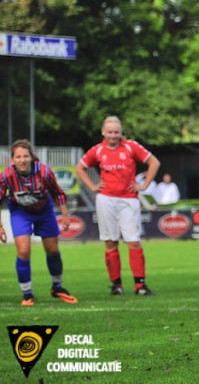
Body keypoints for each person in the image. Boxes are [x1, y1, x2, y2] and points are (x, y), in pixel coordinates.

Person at [75, 116, 161, 296]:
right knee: (110, 242)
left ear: (121, 132)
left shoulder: (131, 146)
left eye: (116, 132)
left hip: (129, 199)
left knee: (134, 242)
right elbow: (80, 168)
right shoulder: (97, 150)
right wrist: (92, 186)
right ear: (103, 132)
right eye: (110, 132)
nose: (113, 135)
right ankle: (116, 285)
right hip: (106, 199)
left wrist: (144, 185)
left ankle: (140, 285)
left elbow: (154, 162)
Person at [0, 140, 78, 306]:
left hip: (44, 211)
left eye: (25, 156)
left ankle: (57, 287)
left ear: (31, 157)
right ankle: (27, 294)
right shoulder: (6, 176)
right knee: (24, 251)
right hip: (21, 212)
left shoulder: (43, 172)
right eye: (18, 157)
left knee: (52, 249)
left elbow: (57, 192)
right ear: (12, 160)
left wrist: (64, 214)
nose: (22, 160)